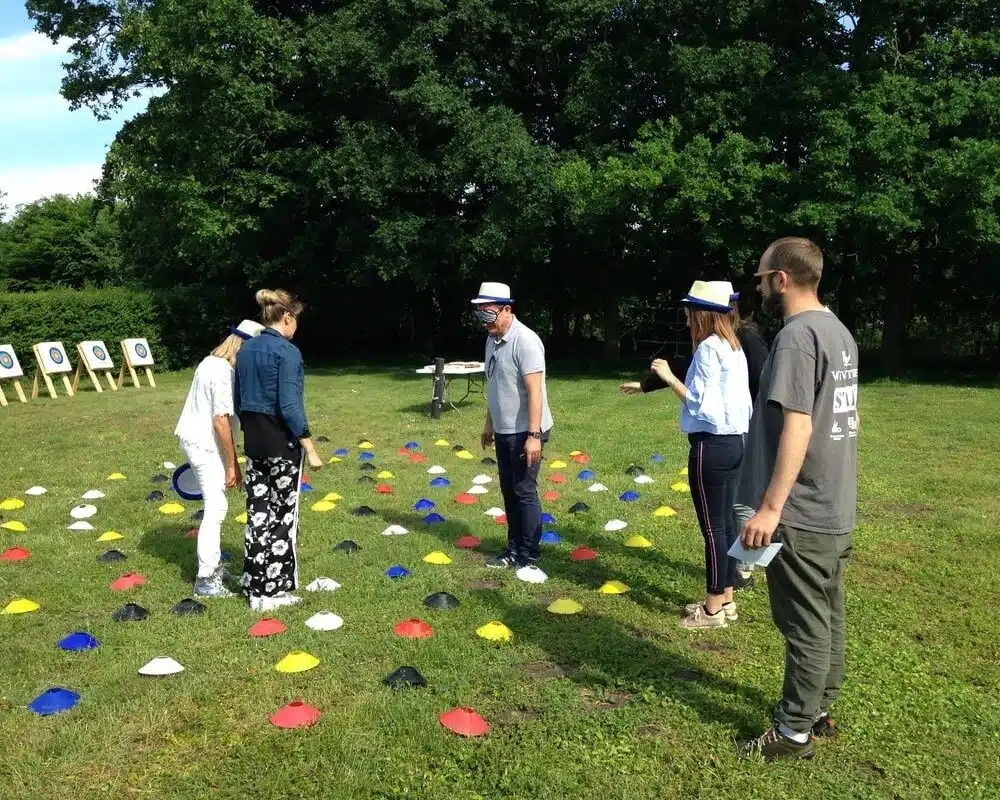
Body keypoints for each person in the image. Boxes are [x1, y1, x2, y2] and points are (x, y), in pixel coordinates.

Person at [736, 237, 859, 761]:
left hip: (802, 511)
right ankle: (817, 708)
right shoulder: (839, 331)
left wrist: (770, 508)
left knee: (804, 623)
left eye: (762, 278)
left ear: (782, 279)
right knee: (826, 613)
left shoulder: (795, 336)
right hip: (834, 505)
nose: (759, 287)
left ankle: (792, 733)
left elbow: (800, 426)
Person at [632, 281, 752, 628]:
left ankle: (712, 609)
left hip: (710, 446)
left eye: (689, 313)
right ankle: (726, 597)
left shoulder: (709, 349)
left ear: (703, 314)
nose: (686, 320)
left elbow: (702, 406)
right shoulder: (733, 346)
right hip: (735, 443)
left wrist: (669, 377)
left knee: (713, 530)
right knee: (726, 524)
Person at [234, 289, 324, 612]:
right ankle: (273, 590)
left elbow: (238, 401)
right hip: (282, 444)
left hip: (254, 443)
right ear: (287, 317)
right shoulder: (288, 352)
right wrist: (310, 447)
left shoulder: (245, 349)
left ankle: (253, 586)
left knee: (257, 513)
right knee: (282, 516)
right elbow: (289, 405)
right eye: (296, 319)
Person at [174, 319, 265, 598]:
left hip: (196, 439)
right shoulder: (222, 372)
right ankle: (206, 579)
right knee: (216, 507)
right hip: (204, 443)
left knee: (216, 504)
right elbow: (220, 421)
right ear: (243, 347)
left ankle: (214, 568)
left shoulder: (210, 362)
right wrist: (232, 464)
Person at [471, 281, 554, 570]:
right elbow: (495, 385)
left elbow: (535, 391)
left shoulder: (525, 341)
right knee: (508, 490)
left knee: (523, 490)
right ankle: (514, 549)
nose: (484, 322)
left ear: (507, 309)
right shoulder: (492, 341)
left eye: (488, 314)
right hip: (504, 429)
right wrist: (489, 423)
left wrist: (534, 435)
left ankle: (528, 554)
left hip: (526, 430)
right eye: (480, 315)